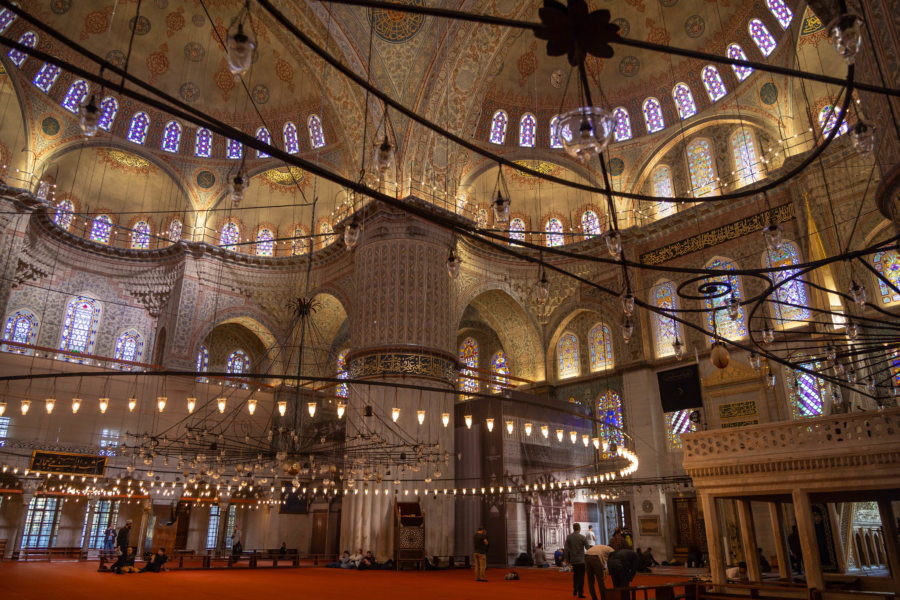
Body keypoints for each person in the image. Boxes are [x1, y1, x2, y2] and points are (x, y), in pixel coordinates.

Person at [565, 523, 591, 598]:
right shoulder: (582, 537)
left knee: (575, 575)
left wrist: (567, 559)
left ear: (573, 528)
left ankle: (575, 589)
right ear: (579, 528)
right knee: (581, 577)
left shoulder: (569, 537)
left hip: (573, 560)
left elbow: (566, 549)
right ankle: (580, 593)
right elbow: (588, 548)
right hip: (581, 560)